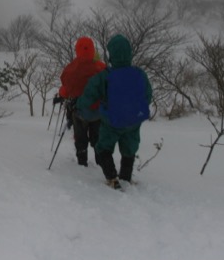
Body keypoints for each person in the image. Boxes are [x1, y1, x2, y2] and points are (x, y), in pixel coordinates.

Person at [76, 34, 152, 189]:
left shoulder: (104, 76)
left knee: (103, 147)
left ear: (111, 54)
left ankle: (112, 177)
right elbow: (148, 95)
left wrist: (80, 105)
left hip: (112, 120)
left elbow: (89, 95)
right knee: (129, 148)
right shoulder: (139, 74)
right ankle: (125, 177)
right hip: (133, 120)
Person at [53, 36, 106, 166]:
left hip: (80, 111)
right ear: (93, 49)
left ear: (77, 50)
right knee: (97, 137)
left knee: (80, 138)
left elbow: (66, 89)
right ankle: (101, 162)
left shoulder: (72, 68)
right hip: (98, 111)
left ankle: (82, 162)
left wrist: (61, 94)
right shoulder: (101, 67)